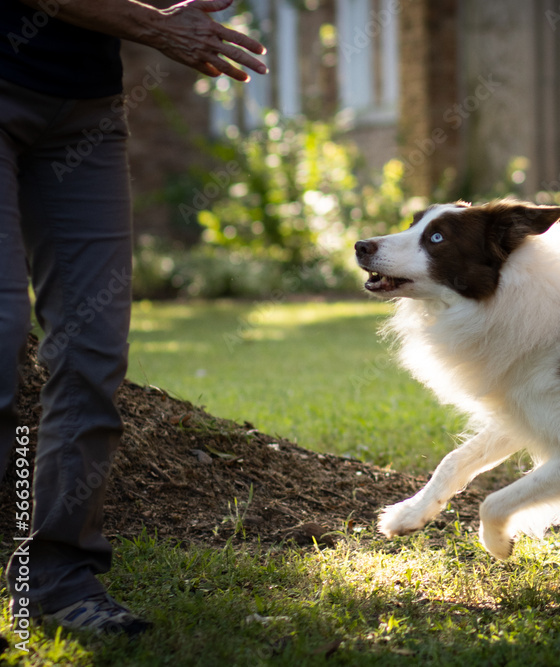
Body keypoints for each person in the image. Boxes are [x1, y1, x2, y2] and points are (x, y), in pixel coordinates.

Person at [1, 0, 266, 636]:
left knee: (93, 349)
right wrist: (154, 25)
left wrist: (156, 12)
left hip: (84, 110)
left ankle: (58, 575)